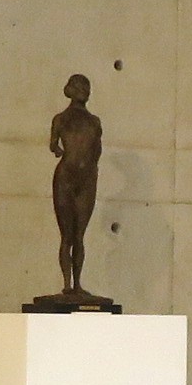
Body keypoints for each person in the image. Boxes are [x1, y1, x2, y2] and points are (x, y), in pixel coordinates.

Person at [30, 74, 115, 311]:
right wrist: (60, 151)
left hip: (86, 180)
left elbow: (96, 151)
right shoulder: (61, 119)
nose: (85, 92)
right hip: (66, 178)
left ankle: (77, 284)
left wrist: (87, 167)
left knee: (79, 235)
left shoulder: (94, 122)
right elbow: (53, 145)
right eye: (80, 87)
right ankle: (68, 285)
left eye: (87, 87)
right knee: (67, 235)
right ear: (71, 90)